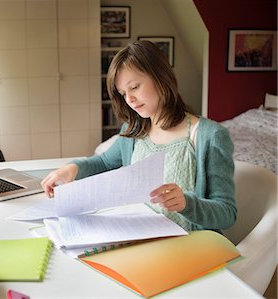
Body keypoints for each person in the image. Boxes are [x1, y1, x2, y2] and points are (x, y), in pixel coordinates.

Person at [41, 40, 236, 231]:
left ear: (161, 77)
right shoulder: (134, 130)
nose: (130, 100)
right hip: (138, 235)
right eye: (123, 94)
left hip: (187, 246)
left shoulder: (209, 135)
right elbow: (105, 163)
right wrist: (72, 168)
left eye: (134, 87)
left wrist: (186, 203)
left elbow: (227, 213)